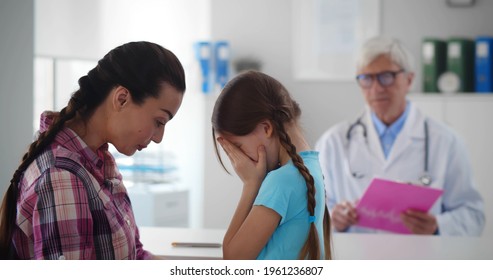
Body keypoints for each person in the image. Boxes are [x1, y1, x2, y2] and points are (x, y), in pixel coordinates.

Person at [0, 41, 186, 259]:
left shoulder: (100, 161)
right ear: (122, 98)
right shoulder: (62, 177)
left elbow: (134, 255)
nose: (158, 137)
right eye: (159, 121)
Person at [315, 36, 485, 236]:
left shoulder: (446, 141)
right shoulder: (334, 142)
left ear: (409, 79)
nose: (376, 88)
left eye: (386, 76)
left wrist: (438, 225)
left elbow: (473, 216)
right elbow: (313, 213)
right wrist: (333, 218)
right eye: (366, 79)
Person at [211, 70, 331, 260]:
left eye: (238, 147)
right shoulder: (310, 165)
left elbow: (233, 260)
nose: (240, 159)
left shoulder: (282, 181)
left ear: (266, 128)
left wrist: (251, 184)